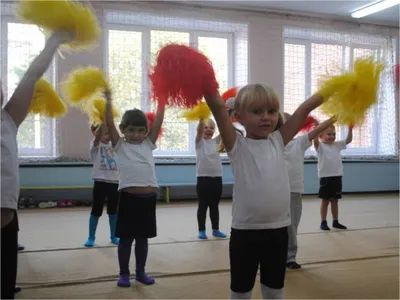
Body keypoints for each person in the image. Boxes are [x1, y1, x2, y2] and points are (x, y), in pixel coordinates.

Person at [204, 83, 331, 299]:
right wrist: (202, 78)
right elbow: (217, 107)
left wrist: (334, 89)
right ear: (239, 117)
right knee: (241, 291)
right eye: (257, 111)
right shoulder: (237, 144)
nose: (266, 117)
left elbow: (303, 109)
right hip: (245, 233)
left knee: (274, 290)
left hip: (278, 231)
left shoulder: (278, 140)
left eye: (271, 111)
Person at [1, 30, 72, 300]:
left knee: (6, 285)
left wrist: (52, 44)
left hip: (6, 219)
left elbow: (31, 76)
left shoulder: (7, 119)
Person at [104, 90, 165, 287]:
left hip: (148, 199)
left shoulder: (148, 144)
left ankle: (140, 272)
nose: (136, 134)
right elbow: (109, 122)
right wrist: (109, 101)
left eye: (140, 130)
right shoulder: (120, 145)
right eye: (131, 130)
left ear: (146, 131)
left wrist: (162, 100)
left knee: (143, 239)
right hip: (129, 199)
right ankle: (123, 273)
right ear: (123, 129)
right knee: (126, 238)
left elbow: (158, 121)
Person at [283, 113, 335, 269]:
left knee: (292, 225)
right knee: (274, 226)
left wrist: (331, 120)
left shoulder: (299, 143)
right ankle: (273, 255)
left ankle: (290, 257)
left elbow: (315, 131)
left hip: (293, 192)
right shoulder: (271, 143)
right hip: (274, 192)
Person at [84, 124, 119, 247]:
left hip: (115, 183)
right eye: (105, 133)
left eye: (109, 133)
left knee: (113, 211)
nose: (108, 136)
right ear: (95, 133)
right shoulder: (95, 146)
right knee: (96, 211)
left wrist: (110, 122)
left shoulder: (115, 146)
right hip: (100, 182)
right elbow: (98, 136)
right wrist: (103, 121)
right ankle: (91, 237)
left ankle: (114, 236)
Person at [314, 124, 353, 231]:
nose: (332, 136)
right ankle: (323, 221)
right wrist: (316, 132)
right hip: (326, 178)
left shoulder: (337, 145)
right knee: (325, 201)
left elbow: (348, 140)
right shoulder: (320, 147)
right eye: (329, 134)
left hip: (337, 177)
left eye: (334, 134)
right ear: (321, 135)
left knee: (335, 201)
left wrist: (350, 129)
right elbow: (315, 141)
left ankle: (335, 221)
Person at [195, 119, 227, 239]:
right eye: (206, 127)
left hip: (217, 178)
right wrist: (202, 119)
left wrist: (226, 116)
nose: (209, 130)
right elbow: (198, 131)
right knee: (203, 205)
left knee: (215, 205)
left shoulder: (216, 142)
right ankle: (202, 230)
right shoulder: (199, 143)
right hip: (203, 178)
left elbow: (224, 130)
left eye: (212, 128)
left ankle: (215, 229)